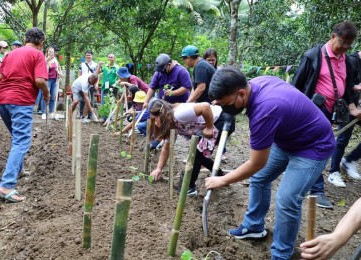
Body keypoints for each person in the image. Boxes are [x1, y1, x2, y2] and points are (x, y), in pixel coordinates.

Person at [204, 67, 335, 259]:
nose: (225, 108)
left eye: (226, 104)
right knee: (259, 179)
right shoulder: (255, 84)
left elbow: (256, 163)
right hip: (287, 139)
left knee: (287, 199)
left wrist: (223, 180)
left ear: (241, 93)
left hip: (313, 146)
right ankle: (254, 226)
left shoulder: (265, 111)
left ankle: (281, 254)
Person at [291, 21, 361, 207]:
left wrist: (353, 107)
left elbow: (346, 87)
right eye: (342, 42)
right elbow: (297, 85)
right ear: (332, 36)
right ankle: (317, 191)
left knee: (318, 147)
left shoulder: (347, 60)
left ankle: (307, 181)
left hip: (331, 109)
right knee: (320, 147)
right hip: (312, 109)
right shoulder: (313, 56)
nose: (345, 47)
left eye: (349, 44)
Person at [0, 27, 49, 203]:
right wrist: (46, 94)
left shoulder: (10, 54)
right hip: (21, 101)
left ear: (25, 40)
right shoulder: (38, 55)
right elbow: (40, 80)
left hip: (2, 101)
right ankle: (6, 186)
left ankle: (18, 169)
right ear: (41, 43)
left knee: (16, 137)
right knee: (21, 141)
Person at [149, 99, 230, 197]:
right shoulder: (171, 124)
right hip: (214, 122)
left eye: (154, 119)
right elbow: (166, 148)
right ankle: (219, 174)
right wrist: (158, 168)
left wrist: (209, 127)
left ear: (160, 114)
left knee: (195, 154)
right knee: (198, 155)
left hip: (221, 120)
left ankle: (189, 188)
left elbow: (205, 106)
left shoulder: (178, 114)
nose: (155, 123)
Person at [326, 50, 361, 187]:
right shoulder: (350, 60)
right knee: (342, 139)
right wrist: (355, 88)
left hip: (358, 106)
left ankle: (349, 161)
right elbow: (342, 84)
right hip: (346, 105)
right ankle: (333, 172)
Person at [41, 46, 62, 120]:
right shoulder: (44, 59)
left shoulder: (55, 60)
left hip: (55, 80)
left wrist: (59, 73)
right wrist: (47, 60)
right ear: (47, 52)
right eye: (49, 51)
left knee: (53, 96)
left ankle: (51, 112)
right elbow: (41, 67)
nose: (51, 53)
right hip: (47, 80)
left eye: (52, 51)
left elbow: (59, 68)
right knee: (46, 95)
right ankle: (44, 112)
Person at [79, 50, 98, 119]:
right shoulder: (82, 64)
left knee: (91, 99)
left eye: (89, 55)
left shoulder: (95, 64)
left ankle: (90, 114)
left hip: (91, 84)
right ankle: (81, 114)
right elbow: (79, 74)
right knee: (82, 99)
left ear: (92, 56)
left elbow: (97, 75)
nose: (88, 56)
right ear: (85, 56)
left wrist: (96, 84)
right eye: (87, 55)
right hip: (83, 83)